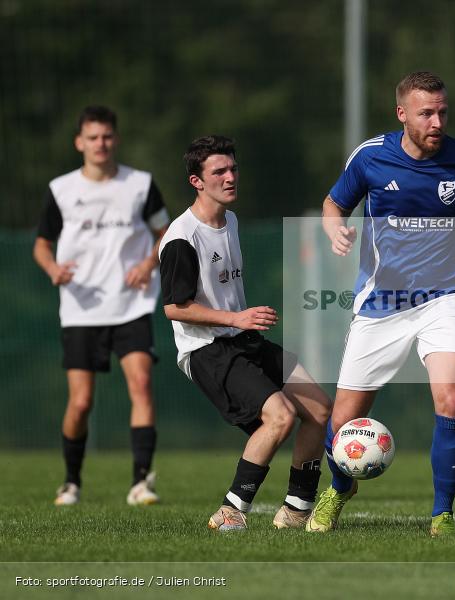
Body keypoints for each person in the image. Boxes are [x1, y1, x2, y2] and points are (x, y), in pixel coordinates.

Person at [310, 71, 455, 536]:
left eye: (442, 112)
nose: (436, 121)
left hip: (444, 299)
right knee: (345, 416)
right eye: (426, 112)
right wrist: (335, 229)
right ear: (402, 113)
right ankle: (338, 489)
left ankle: (442, 515)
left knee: (452, 397)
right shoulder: (371, 157)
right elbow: (333, 204)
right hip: (379, 303)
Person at [159, 135, 331, 531]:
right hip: (207, 349)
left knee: (320, 409)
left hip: (242, 339)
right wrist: (236, 319)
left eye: (233, 168)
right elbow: (174, 307)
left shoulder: (230, 220)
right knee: (280, 417)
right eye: (218, 171)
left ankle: (296, 510)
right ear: (196, 181)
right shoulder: (183, 237)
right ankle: (230, 511)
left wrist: (241, 323)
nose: (230, 177)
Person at [34, 106, 169, 507]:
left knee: (141, 385)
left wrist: (148, 264)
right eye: (92, 137)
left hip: (131, 304)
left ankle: (141, 482)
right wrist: (52, 268)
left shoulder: (140, 185)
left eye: (107, 136)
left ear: (116, 139)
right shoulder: (61, 189)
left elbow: (167, 233)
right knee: (80, 402)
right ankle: (71, 482)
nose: (100, 144)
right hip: (81, 308)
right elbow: (42, 244)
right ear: (79, 142)